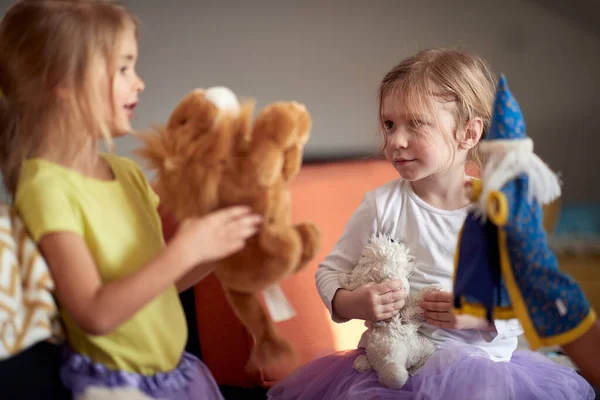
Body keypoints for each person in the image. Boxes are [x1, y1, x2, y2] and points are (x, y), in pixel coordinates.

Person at [267, 48, 594, 399]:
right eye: (389, 125)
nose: (395, 141)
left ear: (467, 134)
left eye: (416, 124)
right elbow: (329, 272)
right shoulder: (381, 205)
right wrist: (354, 302)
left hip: (484, 368)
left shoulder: (497, 211)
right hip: (396, 369)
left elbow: (528, 297)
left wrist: (480, 318)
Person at [0, 1, 262, 399]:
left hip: (177, 375)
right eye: (123, 68)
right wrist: (187, 247)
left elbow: (161, 284)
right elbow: (95, 313)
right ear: (64, 81)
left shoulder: (128, 174)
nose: (138, 82)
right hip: (117, 386)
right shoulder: (45, 187)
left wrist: (216, 250)